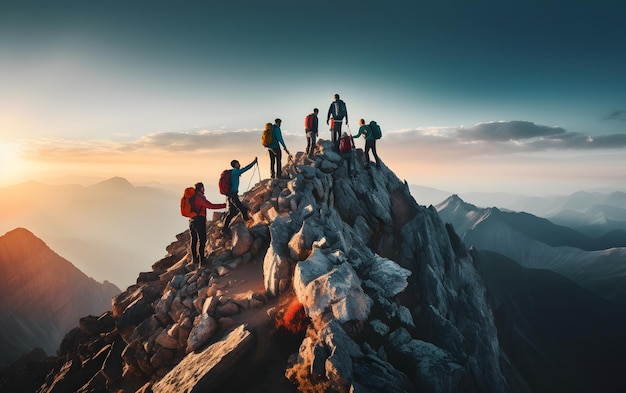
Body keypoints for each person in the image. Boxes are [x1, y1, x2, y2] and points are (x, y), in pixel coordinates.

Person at [190, 182, 226, 265]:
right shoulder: (199, 197)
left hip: (191, 220)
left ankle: (194, 259)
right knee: (202, 240)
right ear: (201, 188)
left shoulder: (192, 197)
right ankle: (202, 261)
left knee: (194, 239)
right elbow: (210, 205)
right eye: (203, 187)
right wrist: (223, 205)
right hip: (199, 220)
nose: (204, 189)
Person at [223, 157, 258, 232]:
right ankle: (247, 222)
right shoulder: (235, 171)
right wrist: (253, 162)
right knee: (242, 208)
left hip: (230, 195)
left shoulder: (232, 172)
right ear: (235, 165)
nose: (239, 164)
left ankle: (224, 228)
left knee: (232, 212)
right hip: (233, 195)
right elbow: (245, 168)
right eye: (237, 163)